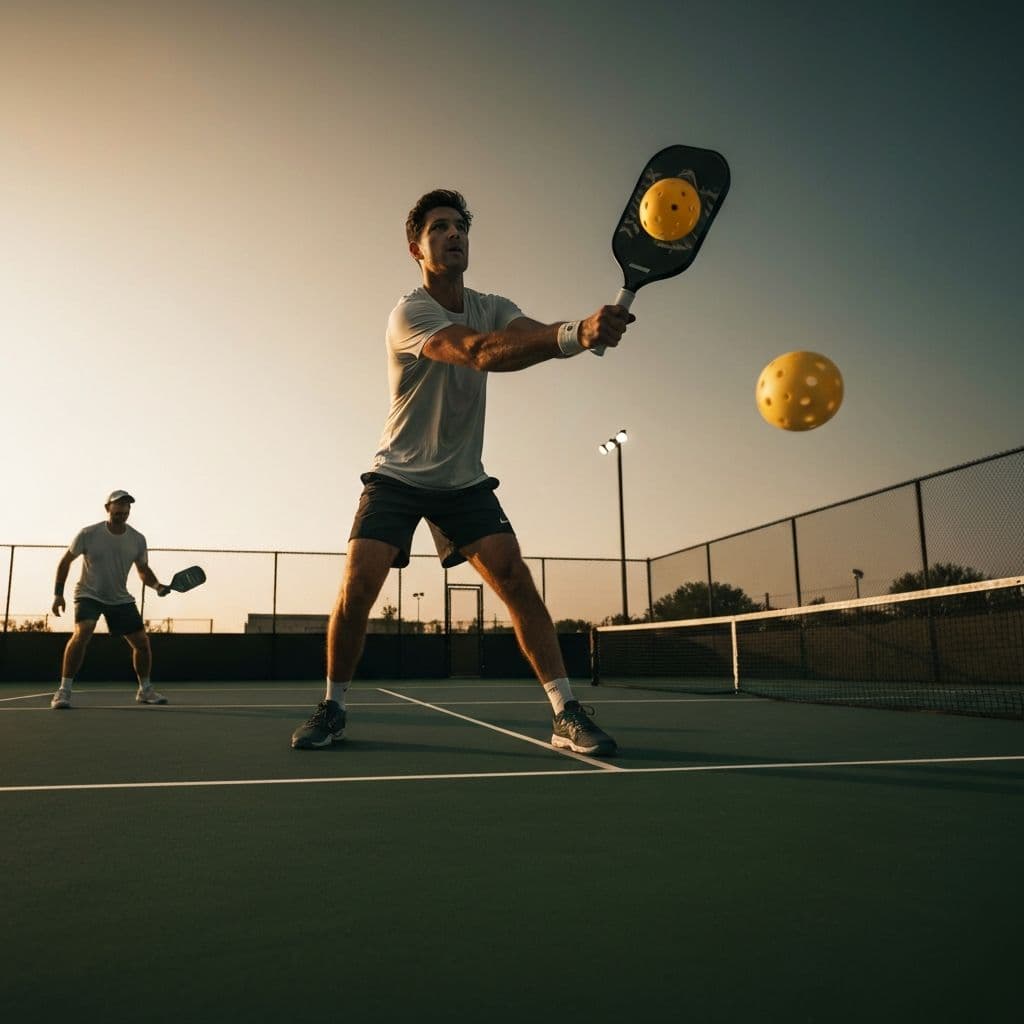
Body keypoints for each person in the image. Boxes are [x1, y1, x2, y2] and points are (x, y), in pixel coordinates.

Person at [291, 189, 633, 754]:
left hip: (463, 480)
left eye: (460, 228)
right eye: (439, 229)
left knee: (516, 579)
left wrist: (581, 334)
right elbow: (477, 352)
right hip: (397, 475)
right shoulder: (411, 313)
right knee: (357, 586)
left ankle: (565, 713)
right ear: (416, 249)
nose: (454, 235)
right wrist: (572, 335)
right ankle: (333, 707)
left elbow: (525, 336)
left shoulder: (492, 303)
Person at [50, 490, 171, 709]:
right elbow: (65, 562)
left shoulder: (137, 539)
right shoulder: (88, 533)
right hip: (88, 593)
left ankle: (145, 690)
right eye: (118, 509)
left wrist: (157, 585)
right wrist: (58, 594)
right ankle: (64, 691)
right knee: (83, 631)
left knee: (142, 644)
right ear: (108, 508)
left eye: (126, 509)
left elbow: (142, 569)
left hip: (119, 598)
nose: (122, 513)